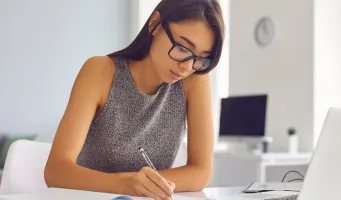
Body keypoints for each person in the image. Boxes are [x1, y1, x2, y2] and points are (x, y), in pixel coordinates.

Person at [44, 0, 225, 200]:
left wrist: (143, 186)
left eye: (201, 58)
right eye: (182, 48)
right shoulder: (100, 71)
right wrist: (126, 184)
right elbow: (55, 171)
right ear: (155, 23)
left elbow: (200, 172)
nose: (186, 67)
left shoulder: (194, 79)